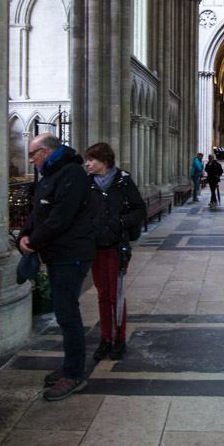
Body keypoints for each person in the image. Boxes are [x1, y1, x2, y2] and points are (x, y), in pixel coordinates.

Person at [19, 133, 95, 401]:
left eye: (33, 154)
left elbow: (61, 217)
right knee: (64, 313)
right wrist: (24, 235)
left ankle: (73, 372)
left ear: (48, 151)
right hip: (58, 253)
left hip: (70, 254)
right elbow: (38, 210)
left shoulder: (71, 174)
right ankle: (70, 363)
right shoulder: (52, 173)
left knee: (67, 313)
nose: (30, 160)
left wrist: (34, 242)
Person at [85, 141, 146, 362]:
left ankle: (119, 339)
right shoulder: (88, 184)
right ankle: (105, 339)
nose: (88, 164)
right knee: (102, 295)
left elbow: (140, 209)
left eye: (91, 160)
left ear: (105, 162)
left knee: (116, 295)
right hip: (95, 248)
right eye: (87, 159)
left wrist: (119, 222)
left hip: (116, 247)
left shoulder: (123, 181)